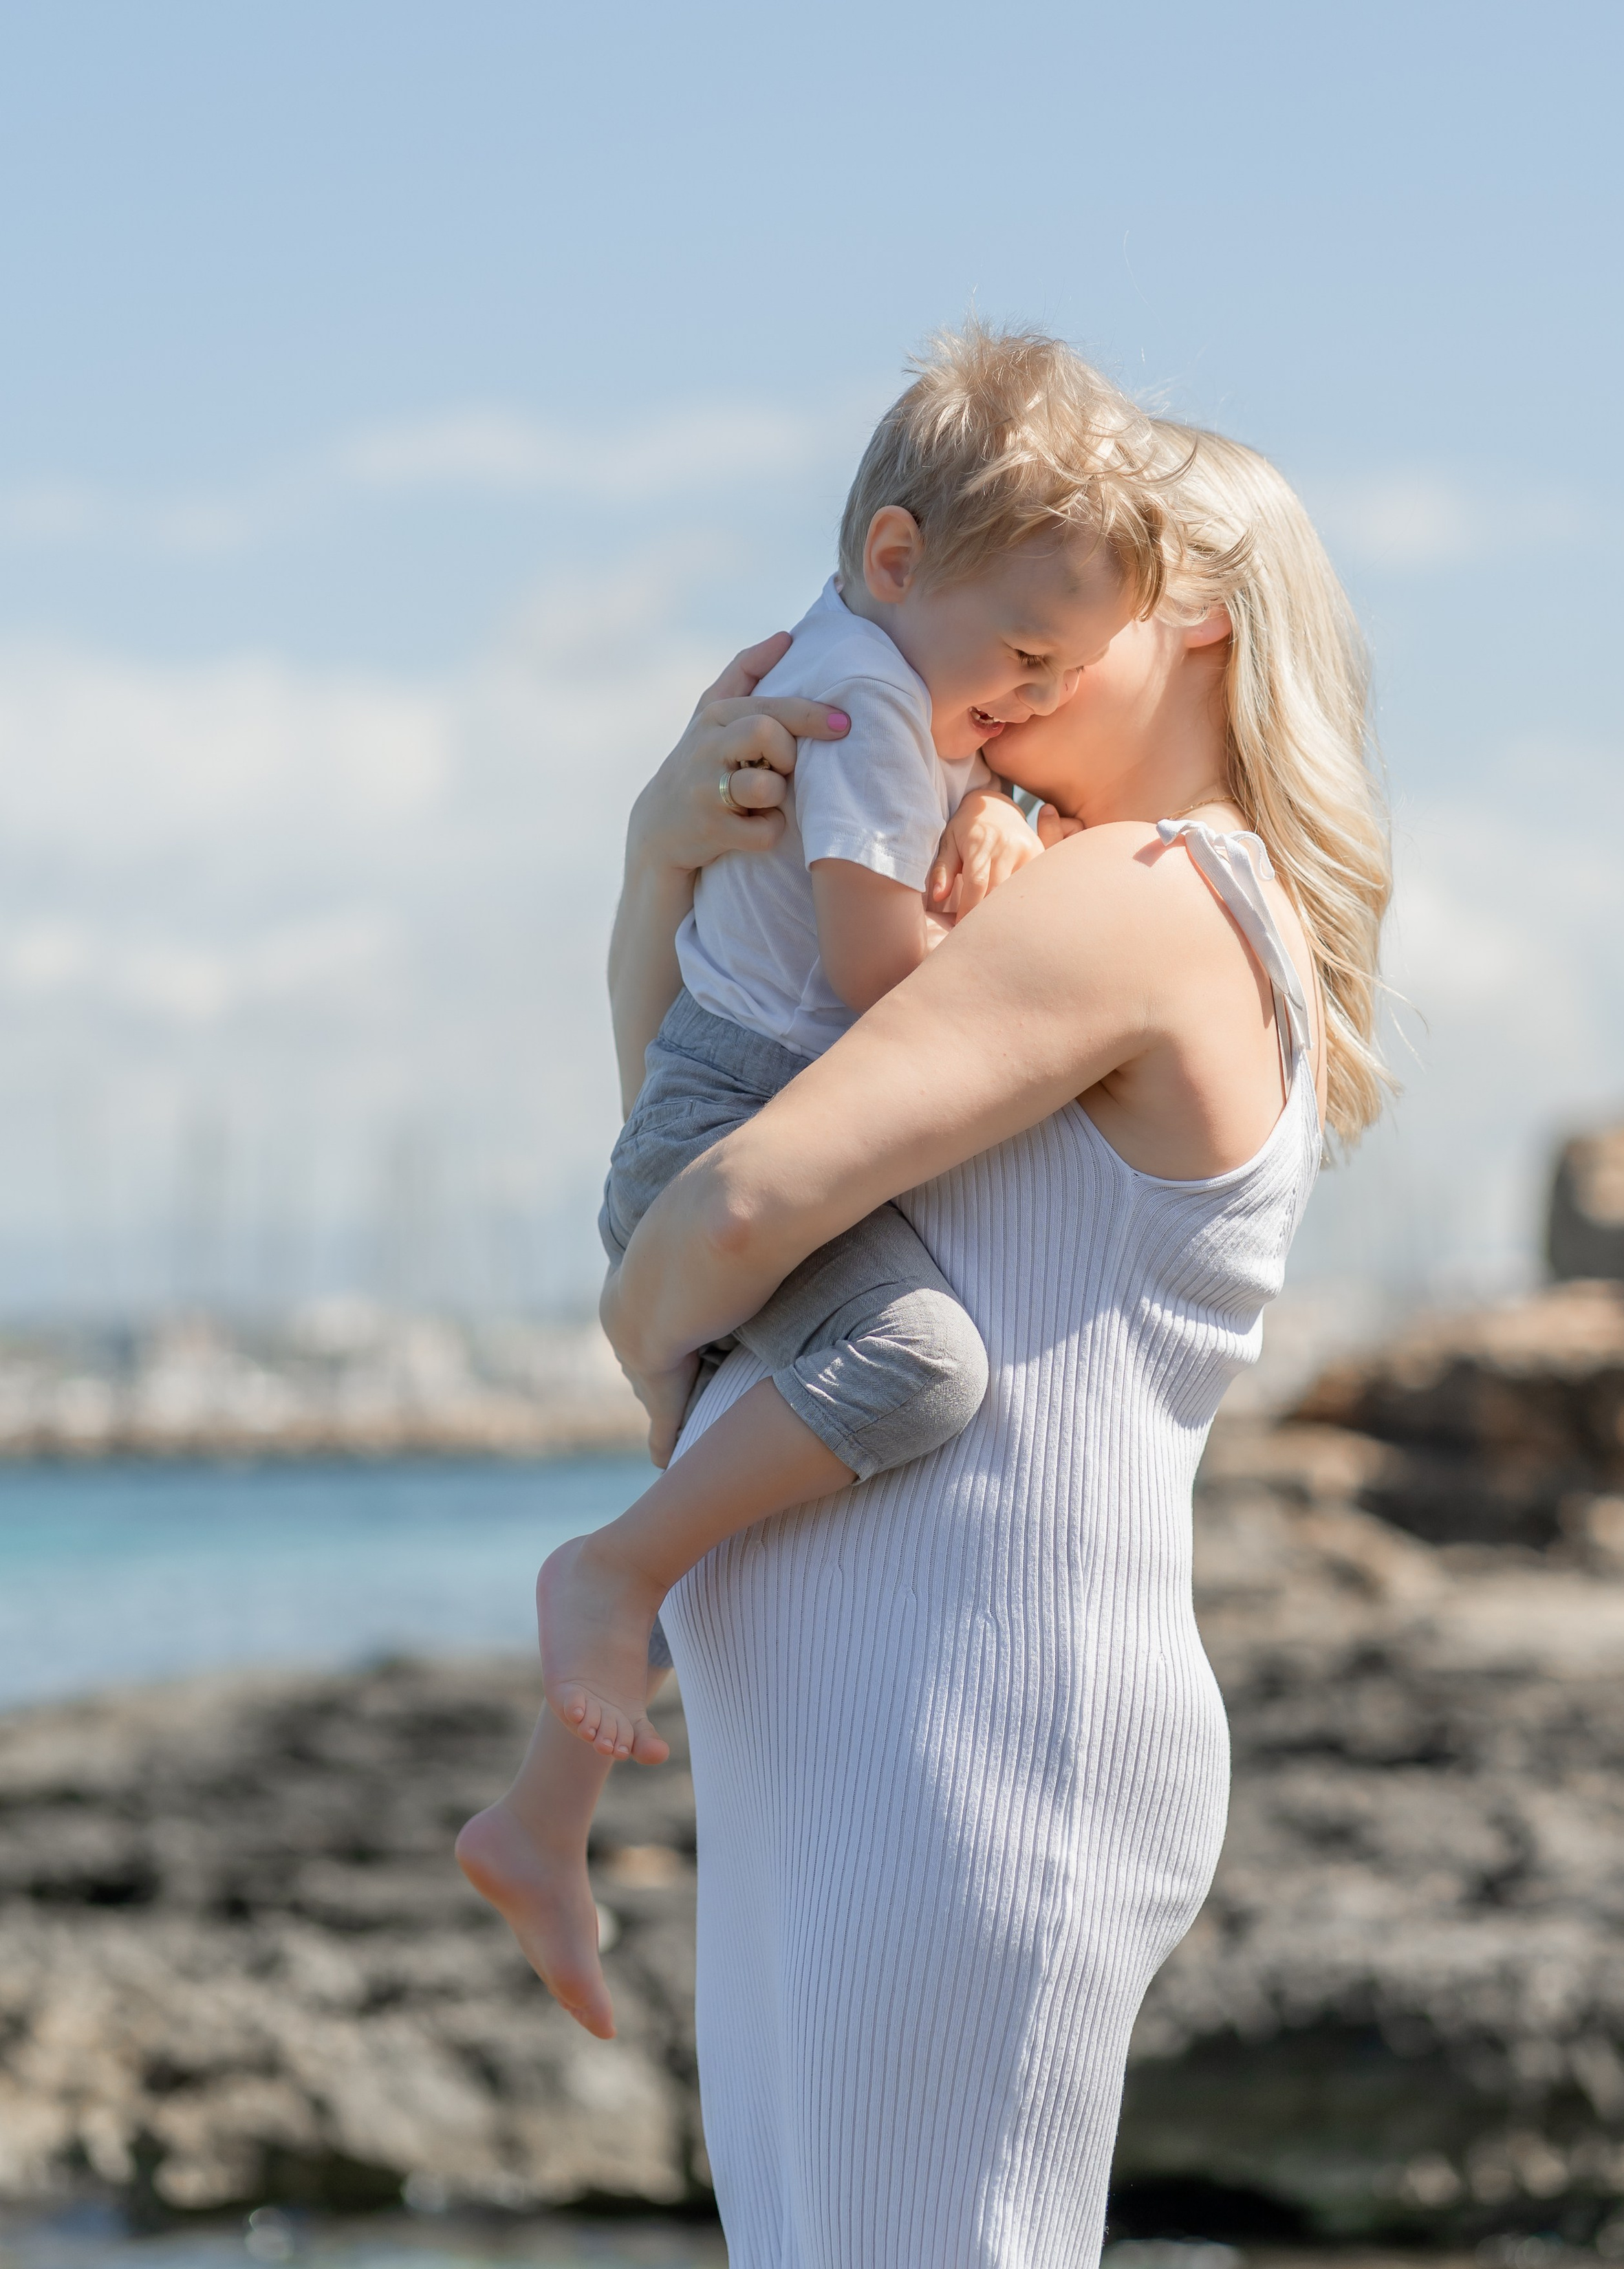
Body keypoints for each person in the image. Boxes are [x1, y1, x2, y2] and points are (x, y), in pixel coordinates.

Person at [594, 416, 1392, 2265]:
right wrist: (661, 872)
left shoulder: (1146, 898)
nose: (997, 647)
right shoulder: (1047, 892)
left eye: (1068, 604)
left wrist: (643, 1331)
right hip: (880, 1740)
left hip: (972, 1732)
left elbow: (714, 1219)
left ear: (1184, 614)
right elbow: (708, 1147)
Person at [455, 331, 1170, 1984]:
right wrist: (1037, 985)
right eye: (1024, 653)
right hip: (726, 1125)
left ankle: (540, 1821)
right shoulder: (857, 715)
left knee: (703, 1440)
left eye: (1068, 674)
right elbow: (877, 984)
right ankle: (607, 1573)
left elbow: (917, 809)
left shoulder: (891, 671)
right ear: (895, 556)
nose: (1039, 698)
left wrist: (994, 797)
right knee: (915, 1368)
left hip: (705, 1118)